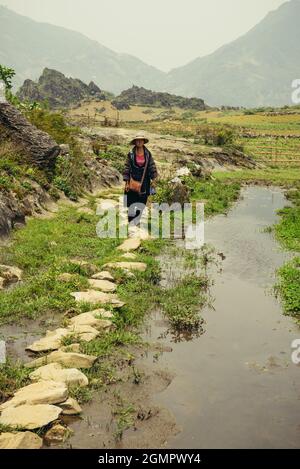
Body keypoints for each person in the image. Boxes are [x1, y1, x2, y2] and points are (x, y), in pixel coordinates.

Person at [123, 132, 158, 226]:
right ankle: (131, 220)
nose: (139, 142)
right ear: (135, 142)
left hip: (144, 181)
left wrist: (154, 179)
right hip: (133, 180)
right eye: (137, 140)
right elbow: (127, 167)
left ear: (143, 142)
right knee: (131, 201)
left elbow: (151, 166)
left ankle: (137, 220)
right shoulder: (130, 154)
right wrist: (126, 181)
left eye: (140, 140)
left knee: (142, 201)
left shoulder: (148, 154)